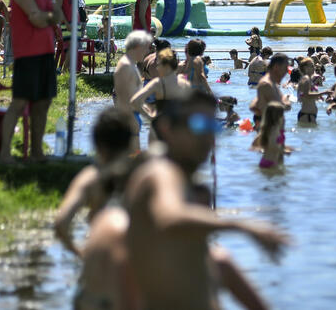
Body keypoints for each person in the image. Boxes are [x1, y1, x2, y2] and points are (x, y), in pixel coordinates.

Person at [125, 93, 288, 309]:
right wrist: (244, 226)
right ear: (167, 128)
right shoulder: (159, 172)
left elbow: (194, 260)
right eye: (199, 125)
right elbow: (169, 215)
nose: (208, 138)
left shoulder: (192, 187)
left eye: (212, 127)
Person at [0, 0, 62, 164]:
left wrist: (48, 14)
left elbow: (57, 16)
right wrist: (48, 15)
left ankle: (37, 152)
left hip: (46, 53)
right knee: (18, 103)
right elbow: (37, 18)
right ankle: (4, 154)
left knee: (43, 103)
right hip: (27, 55)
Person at [54, 107, 135, 257]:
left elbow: (61, 223)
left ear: (96, 143)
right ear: (129, 143)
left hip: (100, 256)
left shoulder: (90, 178)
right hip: (133, 259)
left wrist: (79, 253)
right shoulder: (141, 175)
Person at [113, 31, 155, 148]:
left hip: (131, 118)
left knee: (133, 159)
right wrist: (149, 116)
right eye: (146, 48)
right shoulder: (126, 66)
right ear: (138, 47)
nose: (147, 52)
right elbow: (130, 99)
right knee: (132, 158)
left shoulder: (129, 64)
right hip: (129, 119)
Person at [130, 49, 191, 128]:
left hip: (161, 127)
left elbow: (135, 101)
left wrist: (150, 117)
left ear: (165, 66)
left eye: (159, 65)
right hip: (178, 127)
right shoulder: (185, 83)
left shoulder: (158, 83)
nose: (157, 68)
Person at [250, 53, 292, 126]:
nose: (286, 72)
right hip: (267, 129)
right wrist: (287, 102)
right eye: (285, 68)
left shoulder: (271, 83)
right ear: (276, 67)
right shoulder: (267, 84)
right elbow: (278, 108)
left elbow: (254, 105)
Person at [257, 101, 287, 170]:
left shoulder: (270, 128)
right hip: (270, 162)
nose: (284, 117)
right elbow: (273, 146)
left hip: (269, 161)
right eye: (282, 114)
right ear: (277, 116)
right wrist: (284, 151)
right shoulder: (273, 129)